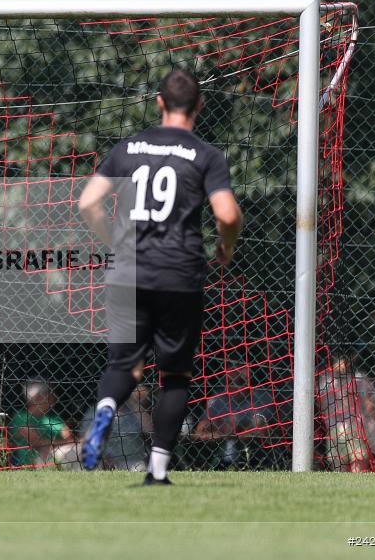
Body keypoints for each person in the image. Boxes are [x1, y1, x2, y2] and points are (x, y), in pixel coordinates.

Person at [77, 69, 243, 484]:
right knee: (174, 377)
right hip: (177, 274)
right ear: (199, 105)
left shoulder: (129, 146)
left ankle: (106, 410)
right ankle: (157, 470)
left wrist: (113, 240)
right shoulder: (206, 155)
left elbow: (88, 203)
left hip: (127, 272)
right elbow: (227, 214)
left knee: (125, 366)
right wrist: (227, 246)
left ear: (159, 102)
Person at [78, 384, 152, 471]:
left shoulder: (134, 411)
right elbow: (84, 440)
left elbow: (149, 430)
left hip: (132, 460)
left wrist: (134, 403)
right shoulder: (95, 411)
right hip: (103, 458)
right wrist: (102, 456)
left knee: (140, 468)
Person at [8, 379, 79, 469]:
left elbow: (71, 439)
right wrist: (58, 444)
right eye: (50, 395)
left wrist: (50, 445)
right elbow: (36, 443)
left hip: (54, 460)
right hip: (29, 464)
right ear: (39, 397)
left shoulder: (54, 418)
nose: (53, 399)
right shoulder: (20, 417)